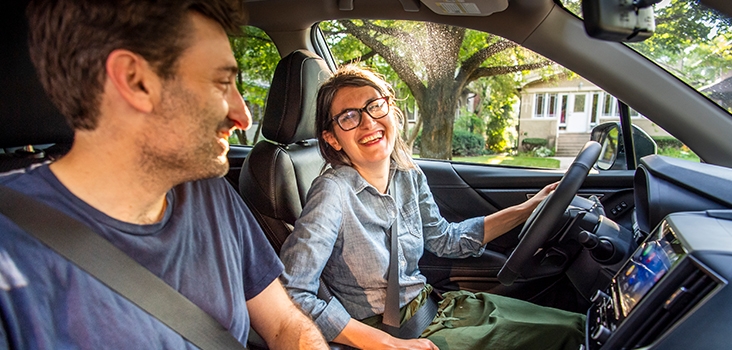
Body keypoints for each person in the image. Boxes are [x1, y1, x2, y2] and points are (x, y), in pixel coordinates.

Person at [0, 0, 328, 348]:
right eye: (221, 83)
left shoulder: (211, 195)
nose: (243, 116)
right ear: (135, 81)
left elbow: (283, 325)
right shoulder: (12, 249)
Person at [279, 65, 585, 350]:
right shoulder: (333, 192)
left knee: (577, 326)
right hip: (391, 335)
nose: (369, 122)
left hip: (438, 309)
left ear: (390, 109)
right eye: (349, 116)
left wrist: (528, 209)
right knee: (571, 336)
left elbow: (445, 239)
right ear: (332, 139)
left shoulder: (408, 175)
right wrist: (386, 345)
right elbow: (292, 292)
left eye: (374, 106)